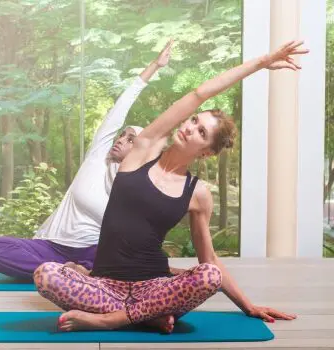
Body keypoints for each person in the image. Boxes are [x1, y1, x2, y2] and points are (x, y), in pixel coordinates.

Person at [33, 40, 308, 333]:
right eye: (194, 120)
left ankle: (113, 319)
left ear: (207, 152)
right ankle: (144, 317)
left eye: (201, 132)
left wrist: (248, 306)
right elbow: (199, 93)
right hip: (103, 285)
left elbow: (209, 260)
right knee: (45, 274)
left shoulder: (197, 193)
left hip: (155, 289)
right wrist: (262, 61)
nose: (189, 127)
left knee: (208, 276)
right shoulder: (143, 150)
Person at [0, 40, 174, 280]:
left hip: (92, 254)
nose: (122, 139)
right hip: (50, 247)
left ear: (141, 151)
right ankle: (71, 275)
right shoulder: (98, 156)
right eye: (122, 134)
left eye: (131, 139)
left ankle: (71, 273)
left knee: (132, 260)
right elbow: (120, 108)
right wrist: (155, 66)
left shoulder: (136, 187)